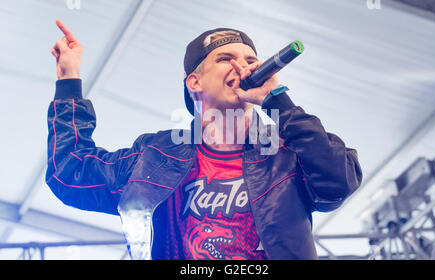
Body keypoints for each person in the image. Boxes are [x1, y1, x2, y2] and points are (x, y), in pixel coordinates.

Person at [48, 20, 362, 260]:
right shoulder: (155, 157)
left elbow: (338, 182)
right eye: (226, 58)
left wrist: (279, 102)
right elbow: (70, 173)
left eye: (251, 59)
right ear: (194, 81)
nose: (243, 67)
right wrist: (68, 79)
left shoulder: (286, 153)